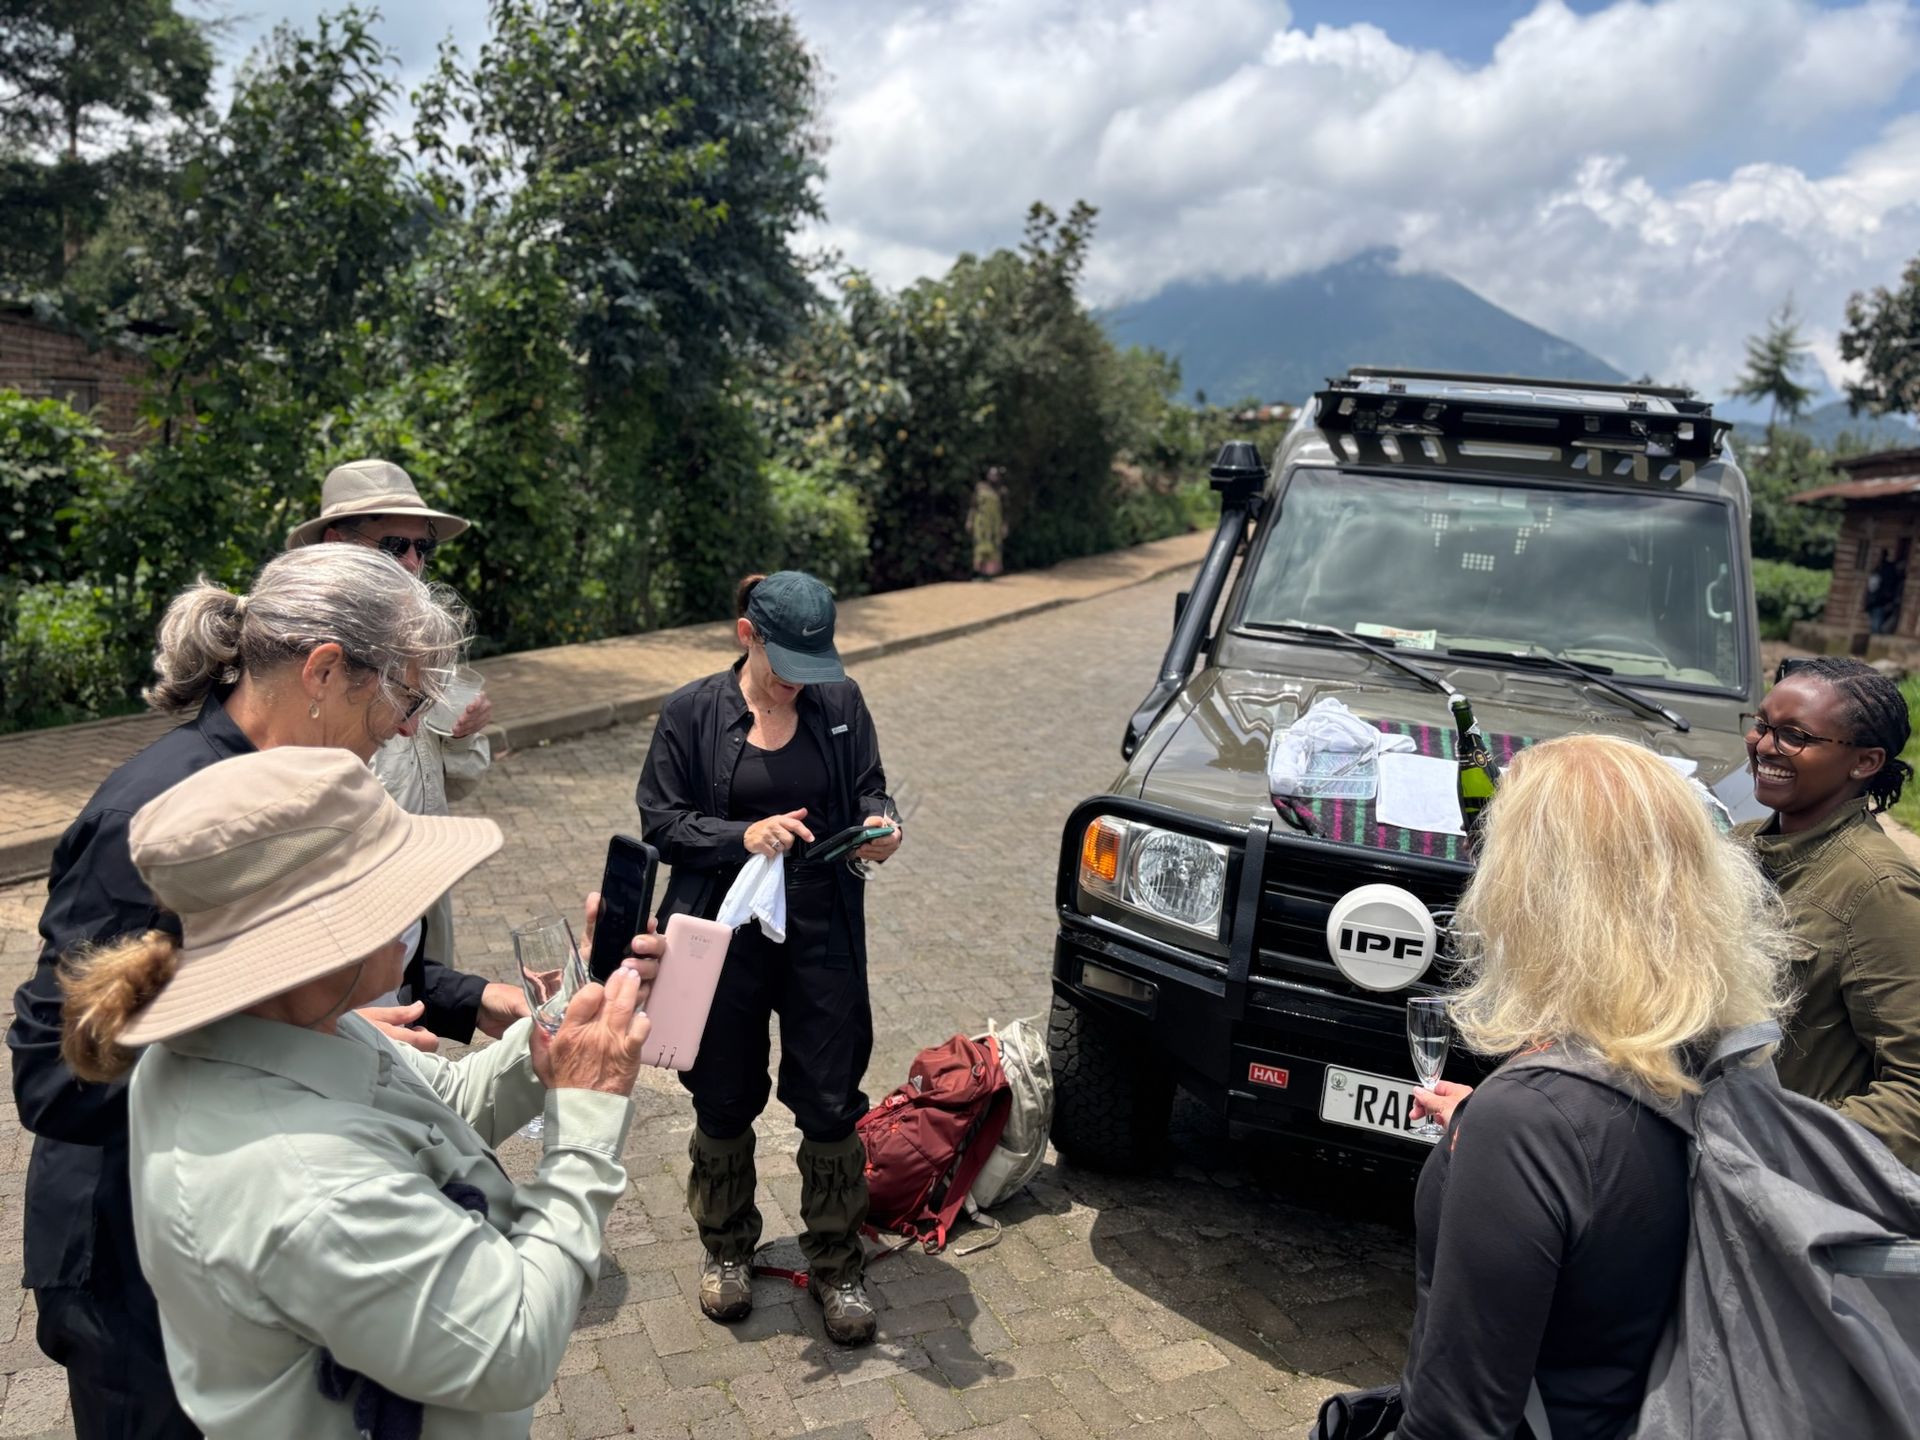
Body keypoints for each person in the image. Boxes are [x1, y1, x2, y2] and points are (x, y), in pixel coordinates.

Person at [5, 546, 517, 1439]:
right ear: (324, 671)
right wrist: (281, 1026)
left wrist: (475, 1001)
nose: (406, 729)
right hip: (134, 1251)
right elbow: (51, 1077)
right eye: (402, 696)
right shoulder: (158, 814)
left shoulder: (300, 786)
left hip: (242, 1239)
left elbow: (337, 953)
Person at [58, 746, 662, 1438]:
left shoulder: (284, 1027)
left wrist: (565, 1026)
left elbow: (443, 1105)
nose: (418, 912)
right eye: (394, 889)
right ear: (323, 940)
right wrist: (587, 1122)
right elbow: (512, 1343)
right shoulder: (307, 1181)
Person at [1398, 736, 1789, 1439]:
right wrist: (1512, 1136)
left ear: (1529, 888)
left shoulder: (1531, 1123)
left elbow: (1455, 1424)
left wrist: (1512, 1136)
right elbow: (1621, 1187)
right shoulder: (1720, 1048)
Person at [634, 570, 903, 1345]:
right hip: (719, 932)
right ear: (746, 635)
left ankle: (835, 1262)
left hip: (822, 925)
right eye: (786, 669)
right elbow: (661, 821)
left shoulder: (842, 705)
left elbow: (871, 792)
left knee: (828, 1095)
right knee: (721, 1093)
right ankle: (725, 1253)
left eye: (811, 671)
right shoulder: (691, 711)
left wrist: (881, 827)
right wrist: (741, 836)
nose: (797, 687)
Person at [293, 459, 497, 1035]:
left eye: (422, 547)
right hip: (352, 901)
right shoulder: (302, 655)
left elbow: (453, 779)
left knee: (415, 1032)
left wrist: (465, 734)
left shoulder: (419, 639)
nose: (413, 562)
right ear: (338, 543)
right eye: (393, 545)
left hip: (421, 888)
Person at [1735, 655, 1920, 1168]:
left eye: (1795, 735)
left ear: (1864, 762)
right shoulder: (1740, 848)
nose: (1766, 746)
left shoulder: (1877, 889)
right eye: (1762, 725)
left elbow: (1914, 1095)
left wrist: (1773, 1144)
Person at [1866, 549, 1906, 636]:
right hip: (1878, 600)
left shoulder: (1883, 570)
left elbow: (1873, 587)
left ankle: (1876, 636)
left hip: (1879, 600)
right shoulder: (1884, 570)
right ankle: (1875, 636)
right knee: (1877, 617)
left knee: (1877, 618)